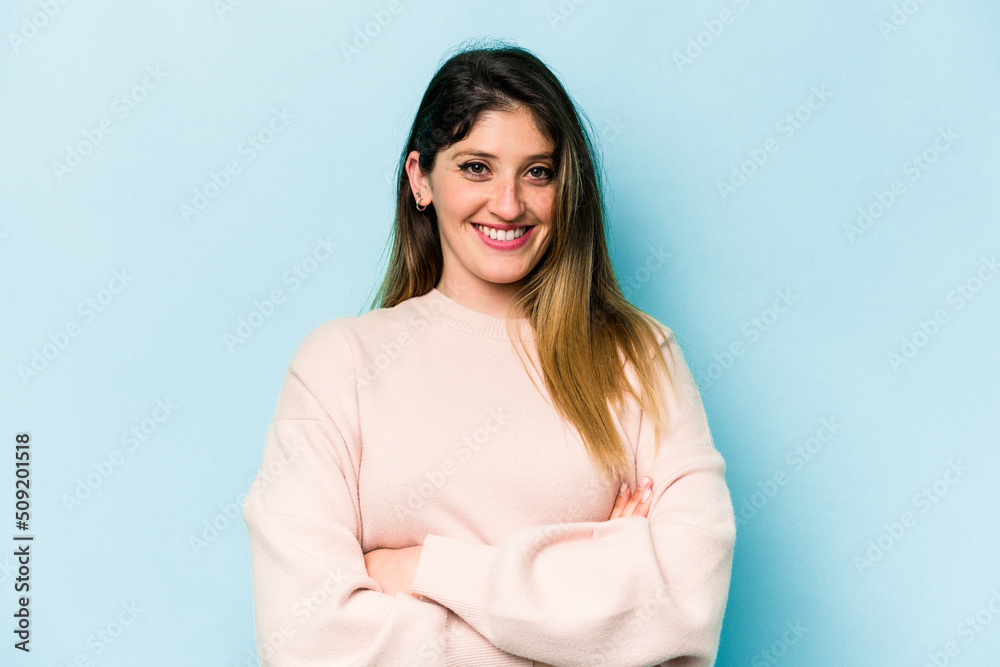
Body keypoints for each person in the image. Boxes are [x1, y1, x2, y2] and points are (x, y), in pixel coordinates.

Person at [242, 40, 736, 667]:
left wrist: (425, 568)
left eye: (538, 172)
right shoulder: (339, 364)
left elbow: (686, 608)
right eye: (476, 167)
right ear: (420, 178)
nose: (508, 204)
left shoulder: (638, 357)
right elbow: (305, 641)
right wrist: (591, 615)